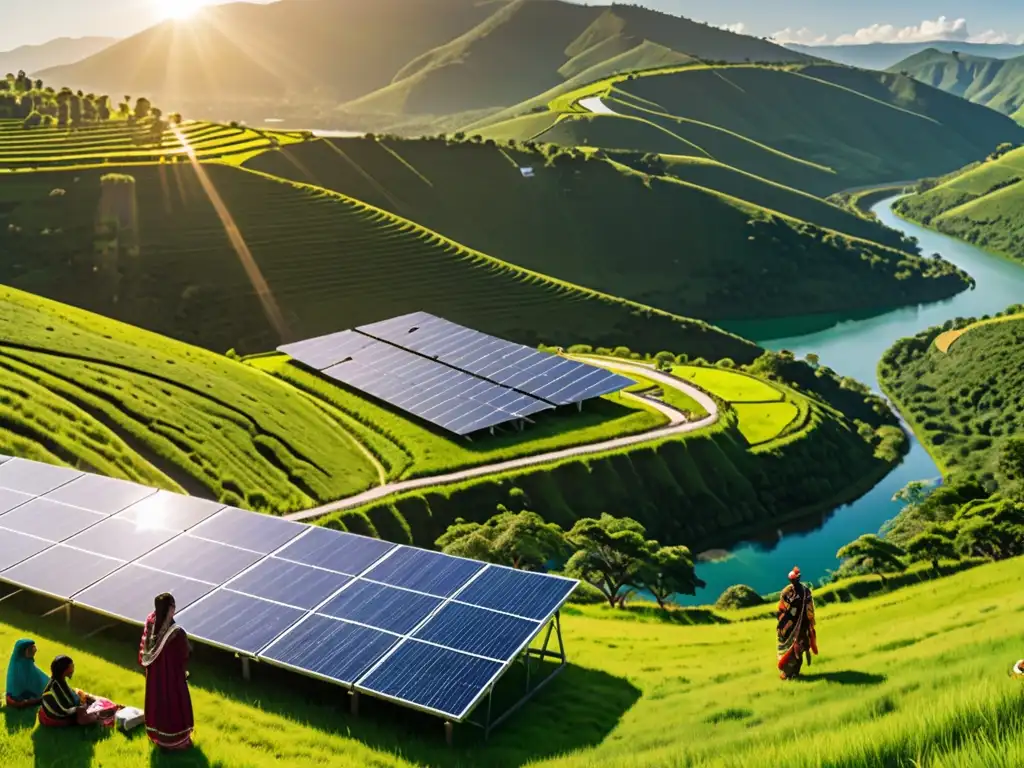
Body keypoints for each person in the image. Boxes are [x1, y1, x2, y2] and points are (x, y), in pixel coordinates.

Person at [139, 593, 194, 751]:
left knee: (157, 703)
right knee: (173, 706)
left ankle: (158, 737)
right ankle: (176, 742)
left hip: (154, 678)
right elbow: (183, 655)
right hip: (172, 678)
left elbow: (143, 652)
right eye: (173, 606)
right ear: (170, 608)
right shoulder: (176, 633)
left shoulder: (150, 623)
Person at [777, 566, 818, 680]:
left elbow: (810, 607)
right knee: (788, 650)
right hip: (790, 626)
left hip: (802, 624)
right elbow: (781, 608)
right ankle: (787, 673)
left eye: (796, 579)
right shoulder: (786, 591)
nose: (794, 581)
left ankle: (796, 672)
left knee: (799, 649)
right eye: (792, 580)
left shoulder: (805, 591)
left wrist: (810, 620)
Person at [39, 656, 101, 726]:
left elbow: (69, 696)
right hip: (58, 717)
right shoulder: (55, 688)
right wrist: (84, 706)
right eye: (72, 666)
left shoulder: (59, 680)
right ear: (64, 670)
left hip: (66, 711)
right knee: (91, 713)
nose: (73, 669)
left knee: (87, 699)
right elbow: (65, 710)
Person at [5, 638, 49, 708]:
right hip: (19, 696)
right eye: (31, 648)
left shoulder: (28, 663)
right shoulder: (16, 667)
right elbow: (14, 689)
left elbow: (38, 677)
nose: (34, 650)